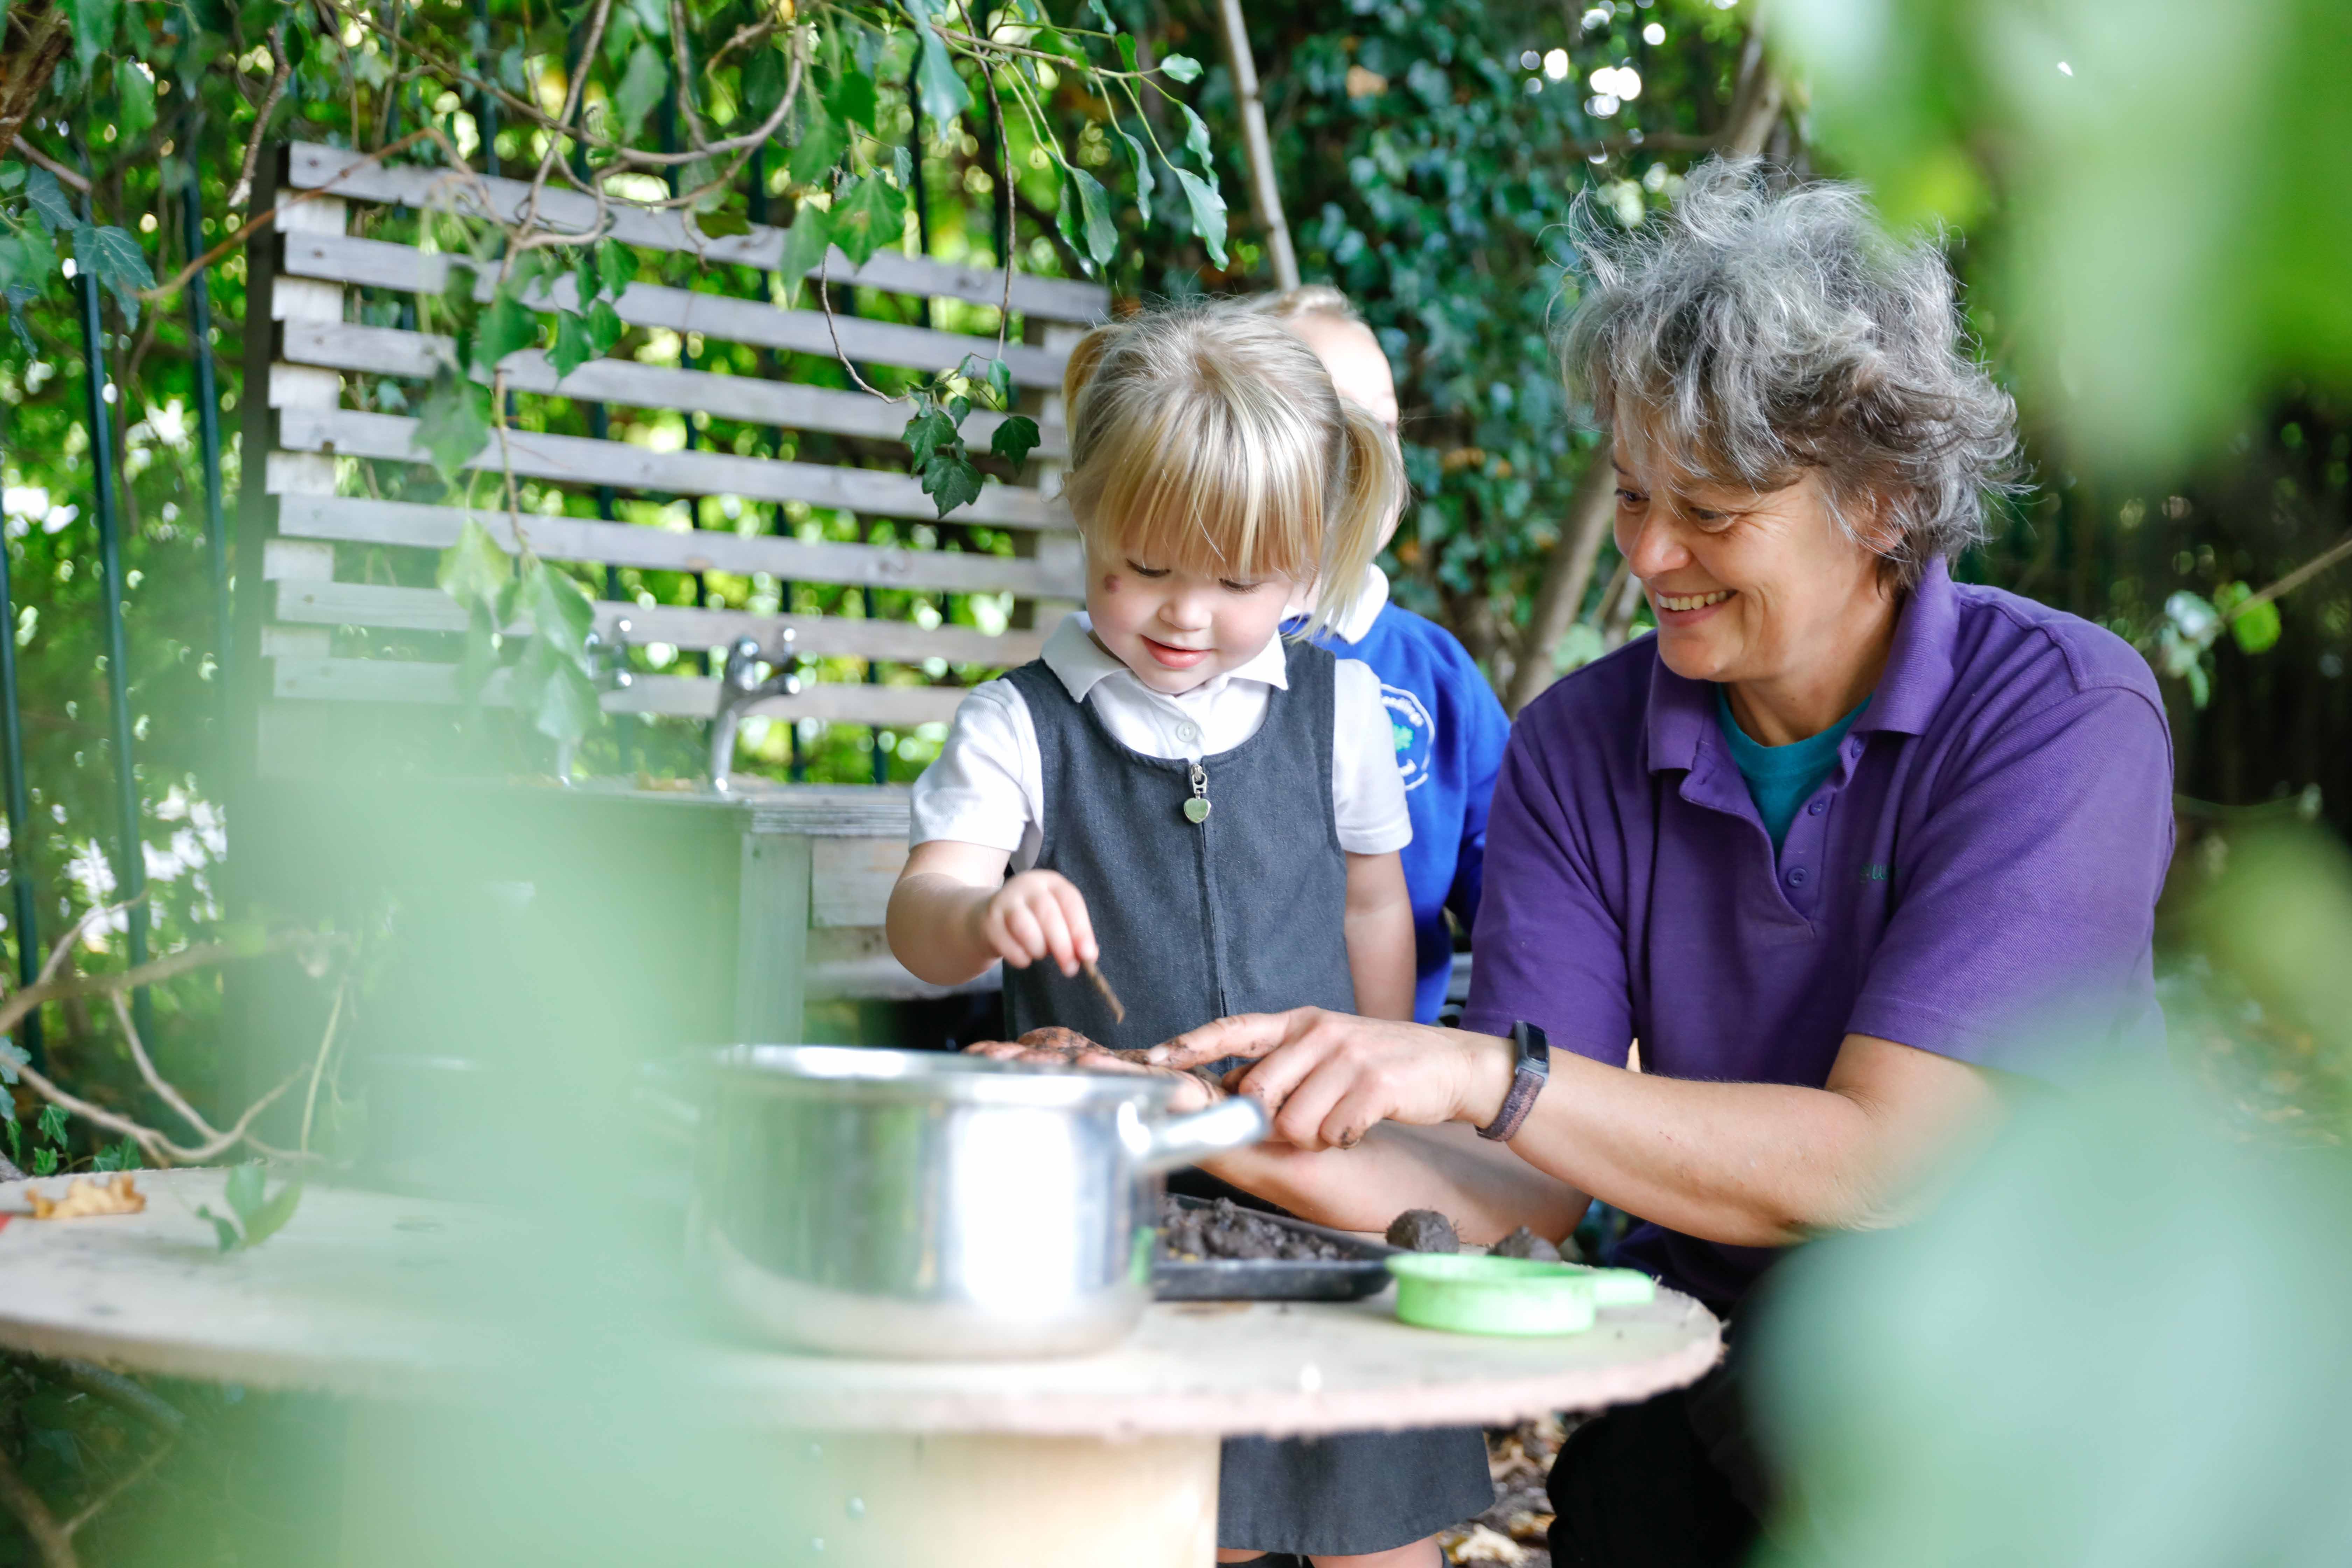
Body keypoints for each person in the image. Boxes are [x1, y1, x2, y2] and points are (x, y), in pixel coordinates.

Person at [1078, 162, 2174, 1565]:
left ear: (1884, 499)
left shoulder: (2059, 714)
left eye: (1712, 513)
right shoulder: (1575, 750)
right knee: (1630, 1503)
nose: (1650, 553)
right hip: (1748, 1372)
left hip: (2053, 1373)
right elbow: (1508, 1192)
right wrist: (1174, 1112)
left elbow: (1888, 1163)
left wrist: (1494, 1073)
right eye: (1634, 492)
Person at [886, 305, 1492, 1567]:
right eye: (1145, 568)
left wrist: (1384, 1076)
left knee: (1376, 1517)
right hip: (1109, 1221)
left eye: (1238, 583)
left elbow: (1376, 904)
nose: (1185, 617)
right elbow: (920, 919)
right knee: (1163, 1512)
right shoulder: (1018, 727)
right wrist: (983, 912)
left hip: (1321, 1190)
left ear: (1308, 558)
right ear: (1089, 518)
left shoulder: (1337, 714)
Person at [1250, 286, 1512, 1024]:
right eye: (1331, 420)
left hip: (1382, 1071)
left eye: (1386, 424)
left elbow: (1516, 866)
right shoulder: (1176, 650)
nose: (1368, 448)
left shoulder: (1434, 671)